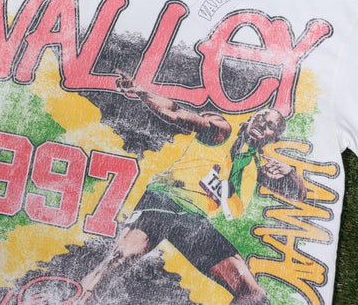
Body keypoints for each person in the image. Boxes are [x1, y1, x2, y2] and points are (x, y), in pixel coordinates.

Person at [80, 71, 306, 305]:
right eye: (259, 118)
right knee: (120, 258)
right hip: (165, 201)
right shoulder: (222, 131)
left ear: (273, 138)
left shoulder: (254, 166)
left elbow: (298, 195)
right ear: (250, 119)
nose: (261, 124)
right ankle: (78, 300)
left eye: (269, 126)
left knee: (254, 295)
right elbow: (176, 113)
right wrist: (142, 92)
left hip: (194, 222)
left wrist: (290, 172)